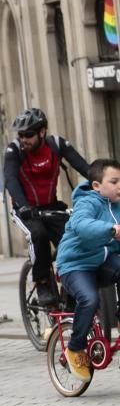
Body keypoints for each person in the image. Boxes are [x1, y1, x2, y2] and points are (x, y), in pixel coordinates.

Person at [4, 107, 91, 306]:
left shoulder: (57, 145)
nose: (23, 139)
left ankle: (70, 288)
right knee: (39, 235)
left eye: (28, 134)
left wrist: (101, 184)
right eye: (20, 135)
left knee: (73, 238)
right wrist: (24, 206)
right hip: (25, 208)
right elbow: (10, 180)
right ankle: (42, 281)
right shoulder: (15, 151)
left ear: (42, 132)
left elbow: (84, 167)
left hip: (52, 206)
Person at [53, 159, 120, 381]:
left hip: (101, 263)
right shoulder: (87, 203)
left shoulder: (117, 205)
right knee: (89, 299)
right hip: (75, 265)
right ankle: (75, 348)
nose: (119, 186)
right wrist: (111, 229)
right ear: (96, 186)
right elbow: (83, 226)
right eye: (114, 181)